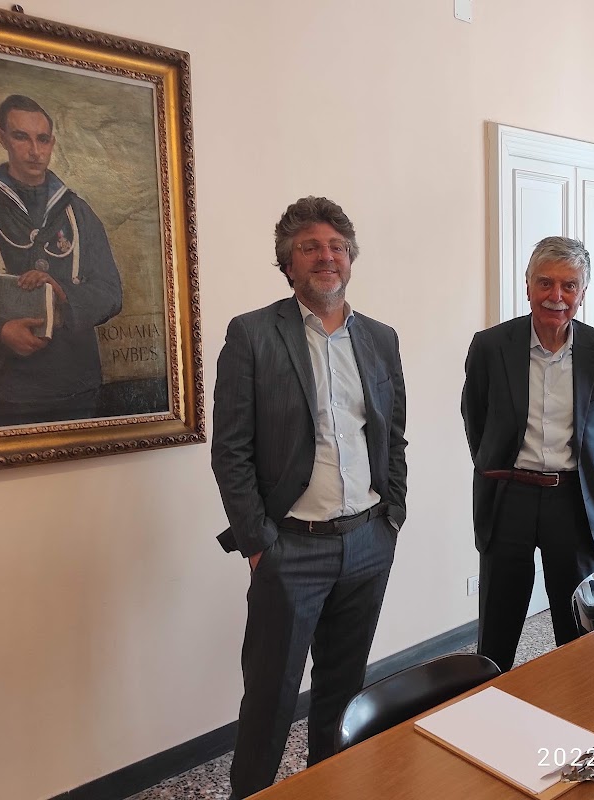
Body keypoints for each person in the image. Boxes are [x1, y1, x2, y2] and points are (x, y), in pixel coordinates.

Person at [211, 196, 407, 798]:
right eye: (310, 247)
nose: (327, 257)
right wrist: (259, 543)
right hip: (291, 549)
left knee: (343, 693)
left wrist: (392, 516)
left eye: (336, 246)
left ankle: (330, 787)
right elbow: (231, 450)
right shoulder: (252, 334)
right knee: (271, 698)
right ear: (287, 263)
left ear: (350, 257)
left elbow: (392, 434)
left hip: (368, 542)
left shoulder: (379, 338)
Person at [461, 236, 594, 669]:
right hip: (508, 495)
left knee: (579, 627)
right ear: (528, 285)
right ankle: (489, 698)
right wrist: (499, 468)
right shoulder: (491, 346)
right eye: (545, 283)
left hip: (572, 500)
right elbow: (475, 418)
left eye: (569, 285)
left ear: (583, 292)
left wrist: (578, 475)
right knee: (498, 624)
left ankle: (577, 703)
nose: (557, 296)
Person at [0, 94, 122, 426]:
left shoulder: (77, 211)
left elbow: (111, 293)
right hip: (5, 390)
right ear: (2, 138)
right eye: (21, 137)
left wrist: (63, 291)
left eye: (43, 139)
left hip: (76, 388)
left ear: (52, 143)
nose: (35, 150)